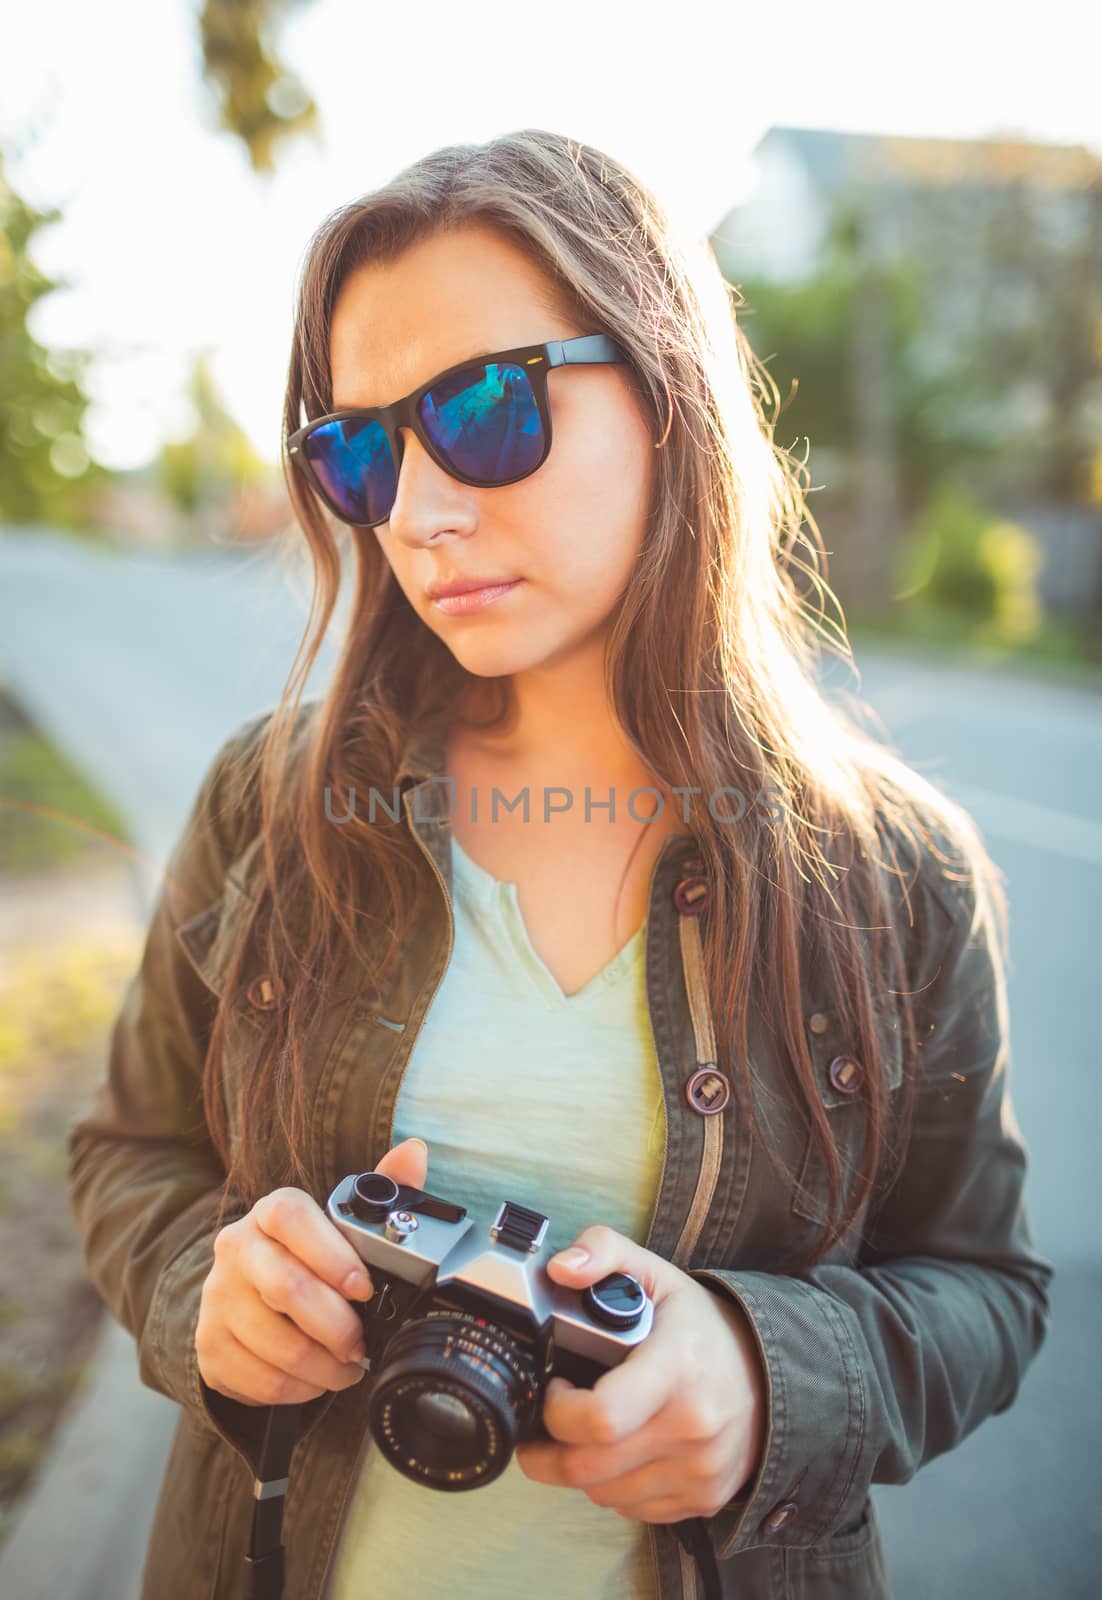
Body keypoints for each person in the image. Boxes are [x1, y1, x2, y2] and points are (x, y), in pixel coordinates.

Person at [66, 127, 1052, 1600]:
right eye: (358, 448)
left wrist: (771, 1371)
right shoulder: (268, 804)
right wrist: (203, 1285)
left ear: (665, 394)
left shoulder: (894, 874)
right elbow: (130, 1154)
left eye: (480, 408)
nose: (416, 510)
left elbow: (984, 1289)